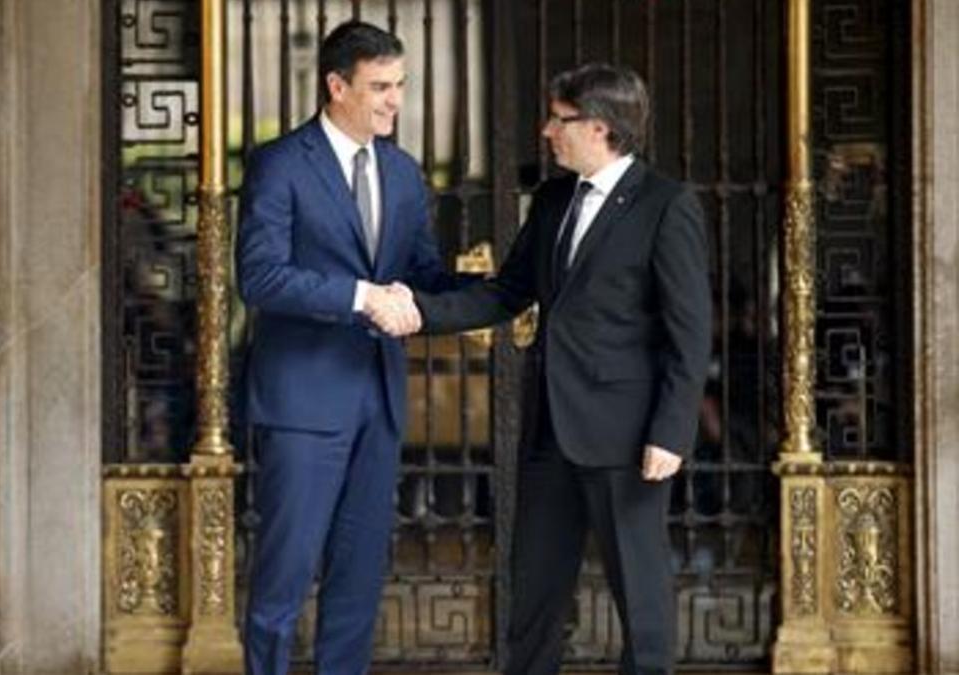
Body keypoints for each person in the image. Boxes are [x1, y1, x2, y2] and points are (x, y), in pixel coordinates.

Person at [397, 63, 712, 675]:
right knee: (534, 595)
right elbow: (506, 292)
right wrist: (416, 312)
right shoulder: (551, 199)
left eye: (558, 120)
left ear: (599, 127)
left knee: (640, 599)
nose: (546, 131)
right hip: (550, 434)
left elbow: (689, 331)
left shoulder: (666, 206)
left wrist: (671, 433)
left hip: (627, 437)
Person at [234, 20, 460, 675]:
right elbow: (261, 276)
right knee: (285, 571)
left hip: (379, 398)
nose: (395, 100)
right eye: (380, 86)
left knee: (359, 573)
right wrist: (363, 296)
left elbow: (421, 273)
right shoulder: (280, 164)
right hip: (303, 398)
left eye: (400, 86)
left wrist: (499, 285)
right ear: (337, 86)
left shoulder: (403, 171)